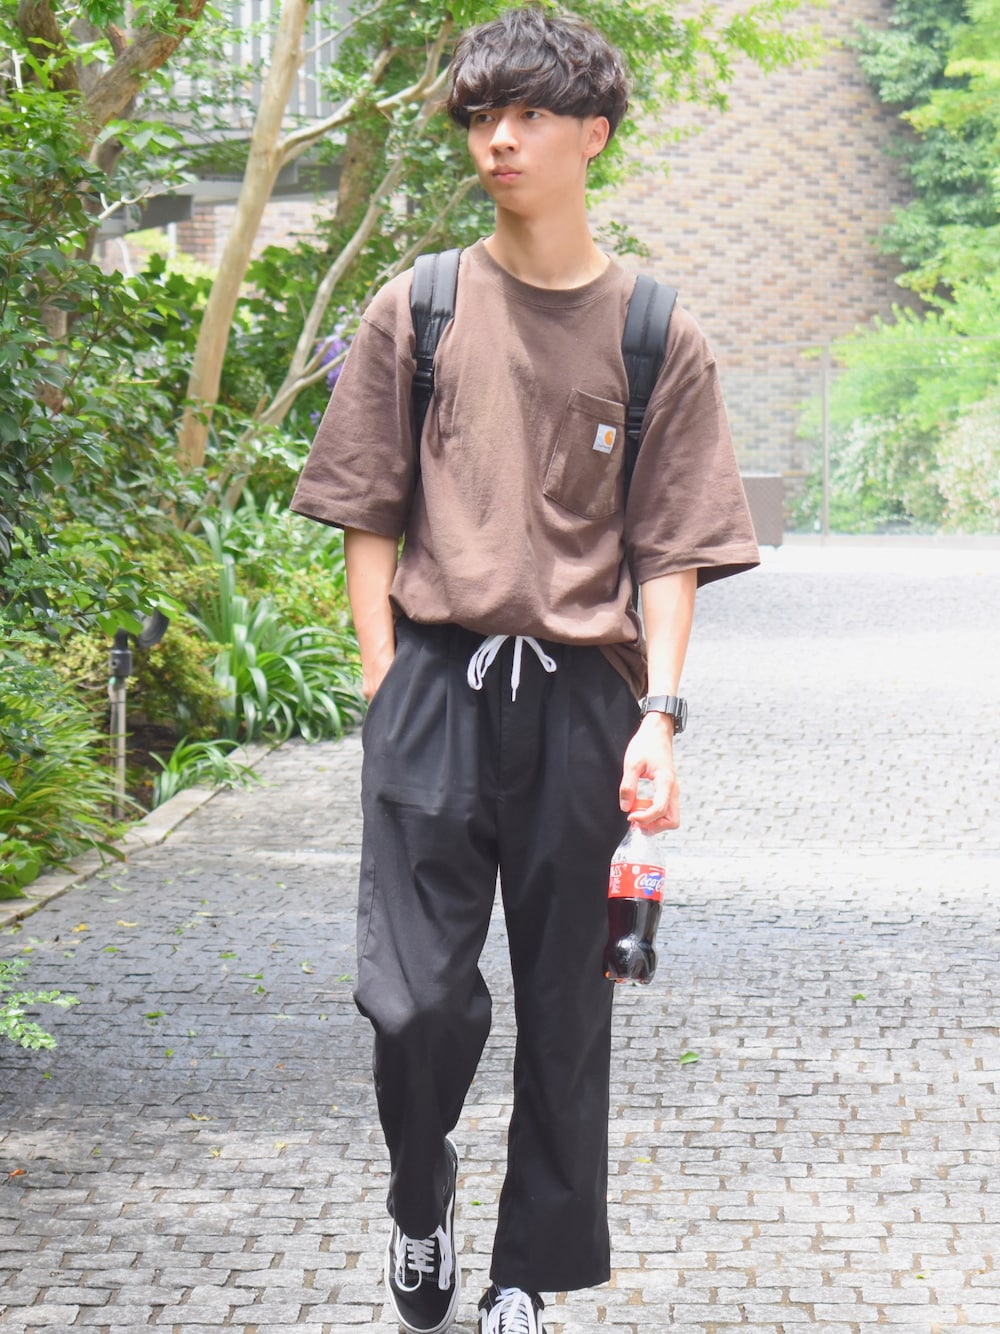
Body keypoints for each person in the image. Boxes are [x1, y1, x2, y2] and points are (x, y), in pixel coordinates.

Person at [290, 8, 759, 1332]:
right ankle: (420, 1189)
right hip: (436, 685)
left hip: (584, 703)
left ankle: (523, 1272)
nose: (498, 139)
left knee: (568, 1008)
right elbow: (368, 508)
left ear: (592, 135)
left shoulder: (656, 332)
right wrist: (384, 678)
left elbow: (671, 547)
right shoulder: (420, 306)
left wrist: (660, 718)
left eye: (530, 115)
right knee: (414, 1002)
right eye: (482, 116)